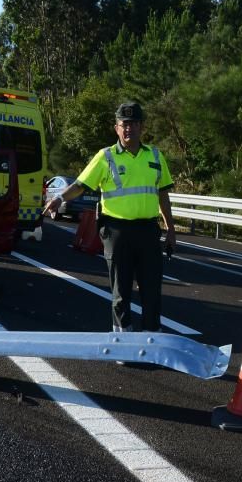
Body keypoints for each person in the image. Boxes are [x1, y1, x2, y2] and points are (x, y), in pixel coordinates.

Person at [44, 101, 176, 332]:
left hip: (147, 230)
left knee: (152, 289)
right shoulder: (105, 157)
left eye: (133, 123)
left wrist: (171, 229)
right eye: (124, 124)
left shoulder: (155, 156)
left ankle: (152, 337)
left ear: (142, 127)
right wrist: (59, 199)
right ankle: (122, 339)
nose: (129, 129)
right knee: (121, 290)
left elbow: (163, 195)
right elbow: (80, 185)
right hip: (117, 231)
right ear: (116, 128)